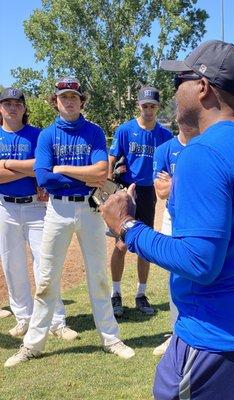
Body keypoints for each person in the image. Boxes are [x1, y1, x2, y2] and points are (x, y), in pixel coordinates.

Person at [100, 40, 234, 400]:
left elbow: (199, 261)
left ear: (203, 87)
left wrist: (127, 227)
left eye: (180, 82)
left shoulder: (201, 154)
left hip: (220, 340)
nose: (175, 93)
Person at [4, 77, 134, 367]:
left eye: (74, 96)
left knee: (98, 277)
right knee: (46, 279)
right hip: (57, 211)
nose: (69, 101)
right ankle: (32, 345)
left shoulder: (94, 132)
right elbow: (43, 177)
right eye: (64, 97)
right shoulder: (49, 135)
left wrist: (62, 168)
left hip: (89, 210)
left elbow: (101, 172)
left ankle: (111, 338)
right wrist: (81, 174)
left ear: (81, 101)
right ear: (56, 101)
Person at [0, 87, 74, 340]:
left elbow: (42, 167)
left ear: (24, 108)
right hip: (5, 207)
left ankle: (57, 320)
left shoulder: (37, 135)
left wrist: (7, 165)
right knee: (13, 265)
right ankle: (24, 318)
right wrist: (29, 169)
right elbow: (33, 168)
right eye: (7, 103)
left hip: (36, 206)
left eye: (17, 103)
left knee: (46, 264)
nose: (12, 108)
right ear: (0, 108)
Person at [108, 86, 173, 317]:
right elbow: (112, 157)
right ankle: (115, 294)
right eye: (145, 105)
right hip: (128, 189)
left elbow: (171, 162)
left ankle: (140, 294)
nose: (148, 110)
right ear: (139, 105)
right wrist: (109, 183)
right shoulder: (126, 129)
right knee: (121, 244)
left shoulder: (165, 136)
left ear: (158, 107)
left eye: (152, 106)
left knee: (143, 245)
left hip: (149, 192)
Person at [152, 123, 198, 356]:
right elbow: (161, 192)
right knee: (176, 275)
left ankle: (197, 330)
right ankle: (176, 333)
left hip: (200, 216)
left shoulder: (204, 145)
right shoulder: (164, 149)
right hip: (173, 218)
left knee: (203, 271)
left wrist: (175, 182)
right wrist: (189, 183)